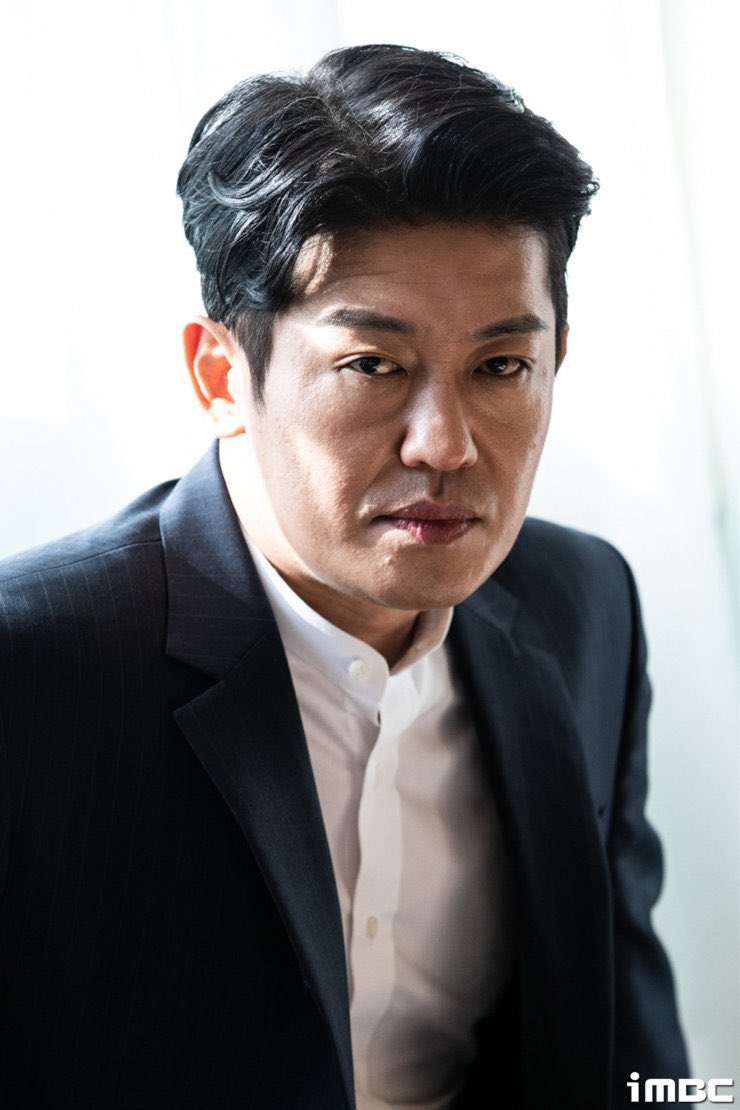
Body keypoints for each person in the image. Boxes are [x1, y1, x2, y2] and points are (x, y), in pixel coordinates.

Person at [0, 43, 688, 1110]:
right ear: (221, 375)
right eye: (372, 366)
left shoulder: (584, 605)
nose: (444, 444)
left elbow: (632, 1055)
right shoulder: (33, 670)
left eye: (501, 366)